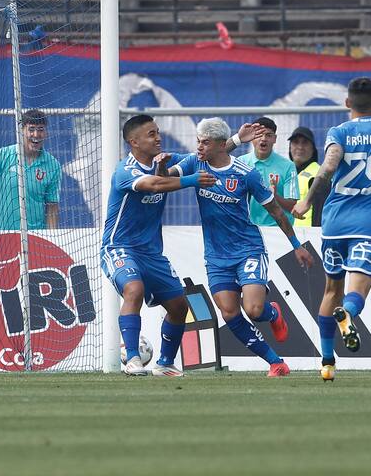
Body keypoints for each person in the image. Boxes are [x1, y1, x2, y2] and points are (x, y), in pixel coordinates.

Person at [100, 114, 262, 376]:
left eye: (158, 132)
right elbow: (154, 185)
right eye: (151, 134)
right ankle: (132, 359)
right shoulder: (125, 170)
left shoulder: (163, 161)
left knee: (179, 307)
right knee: (133, 289)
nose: (158, 137)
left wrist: (235, 140)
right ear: (134, 142)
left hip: (151, 253)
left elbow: (207, 155)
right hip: (119, 247)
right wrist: (191, 180)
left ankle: (164, 363)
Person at [292, 77, 371, 382]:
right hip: (369, 227)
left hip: (334, 224)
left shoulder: (339, 133)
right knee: (355, 292)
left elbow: (327, 169)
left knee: (331, 289)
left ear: (347, 103)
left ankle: (326, 361)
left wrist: (308, 201)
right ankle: (347, 314)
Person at [169, 117, 313, 377]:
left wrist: (296, 246)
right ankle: (276, 363)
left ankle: (273, 313)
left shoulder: (246, 174)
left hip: (248, 249)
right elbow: (165, 178)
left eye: (204, 142)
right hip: (216, 256)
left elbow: (278, 212)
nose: (199, 147)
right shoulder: (195, 162)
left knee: (254, 310)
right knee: (229, 312)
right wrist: (158, 166)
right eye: (198, 141)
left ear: (220, 145)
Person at [0, 109, 61, 230]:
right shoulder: (0, 156)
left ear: (46, 133)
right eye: (31, 129)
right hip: (1, 236)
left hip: (35, 237)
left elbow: (52, 206)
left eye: (40, 129)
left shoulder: (53, 165)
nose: (36, 134)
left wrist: (52, 236)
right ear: (21, 131)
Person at [239, 116, 300, 227]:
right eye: (259, 134)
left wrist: (274, 196)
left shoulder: (288, 166)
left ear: (275, 139)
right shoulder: (240, 163)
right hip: (250, 230)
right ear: (252, 138)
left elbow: (292, 206)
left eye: (268, 135)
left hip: (281, 230)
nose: (263, 139)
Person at [288, 126, 328, 227]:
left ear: (313, 148)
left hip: (307, 236)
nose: (300, 147)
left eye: (305, 142)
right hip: (284, 236)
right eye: (296, 142)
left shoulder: (318, 175)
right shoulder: (285, 173)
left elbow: (321, 213)